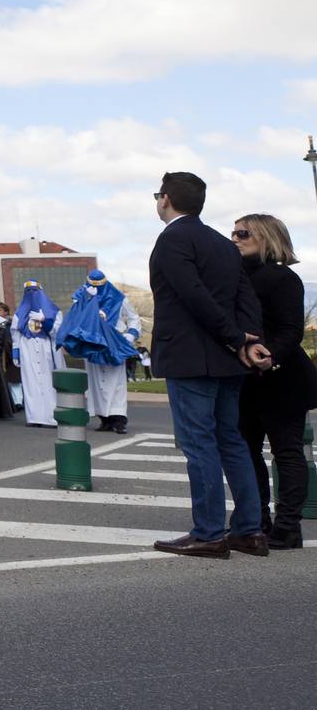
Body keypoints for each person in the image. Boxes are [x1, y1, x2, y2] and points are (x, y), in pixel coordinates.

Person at [147, 171, 269, 559]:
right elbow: (245, 297)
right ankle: (250, 531)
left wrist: (235, 338)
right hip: (228, 360)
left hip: (190, 358)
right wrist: (248, 340)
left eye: (157, 195)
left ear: (165, 199)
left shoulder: (172, 240)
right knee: (231, 441)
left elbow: (193, 295)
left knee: (198, 444)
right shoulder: (220, 243)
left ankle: (209, 533)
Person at [231, 213, 312, 549]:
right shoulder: (233, 277)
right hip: (245, 380)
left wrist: (268, 356)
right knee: (247, 452)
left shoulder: (283, 278)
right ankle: (258, 520)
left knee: (286, 451)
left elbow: (292, 330)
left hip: (282, 378)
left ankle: (288, 526)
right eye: (233, 232)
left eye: (243, 232)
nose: (234, 238)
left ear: (266, 237)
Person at [55, 269, 141, 434]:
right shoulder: (82, 297)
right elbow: (74, 318)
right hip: (91, 343)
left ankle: (118, 419)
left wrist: (130, 335)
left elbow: (134, 318)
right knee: (96, 382)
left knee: (116, 383)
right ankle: (104, 418)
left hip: (113, 342)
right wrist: (85, 300)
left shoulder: (119, 298)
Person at [11, 281, 64, 428]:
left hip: (46, 346)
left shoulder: (54, 311)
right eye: (28, 291)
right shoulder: (20, 312)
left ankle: (52, 416)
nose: (31, 295)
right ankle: (34, 417)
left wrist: (45, 321)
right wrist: (15, 352)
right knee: (30, 382)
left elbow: (58, 332)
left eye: (34, 291)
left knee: (48, 382)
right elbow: (15, 333)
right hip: (27, 348)